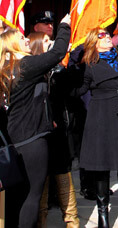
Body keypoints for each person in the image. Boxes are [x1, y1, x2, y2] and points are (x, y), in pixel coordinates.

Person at [70, 27, 118, 228]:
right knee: (101, 168)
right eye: (101, 36)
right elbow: (78, 89)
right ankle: (103, 214)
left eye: (107, 35)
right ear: (94, 43)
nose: (107, 38)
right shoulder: (89, 64)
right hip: (101, 119)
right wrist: (74, 60)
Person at [0, 14, 71, 228]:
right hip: (32, 140)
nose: (27, 40)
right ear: (13, 44)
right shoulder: (25, 65)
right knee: (33, 195)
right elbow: (58, 53)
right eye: (22, 38)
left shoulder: (9, 69)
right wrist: (65, 26)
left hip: (17, 137)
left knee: (18, 196)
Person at [27, 32, 79, 227]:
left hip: (59, 134)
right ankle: (41, 222)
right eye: (47, 42)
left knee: (64, 177)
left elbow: (75, 88)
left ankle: (72, 222)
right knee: (41, 185)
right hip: (38, 136)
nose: (51, 44)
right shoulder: (30, 71)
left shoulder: (58, 70)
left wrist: (71, 59)